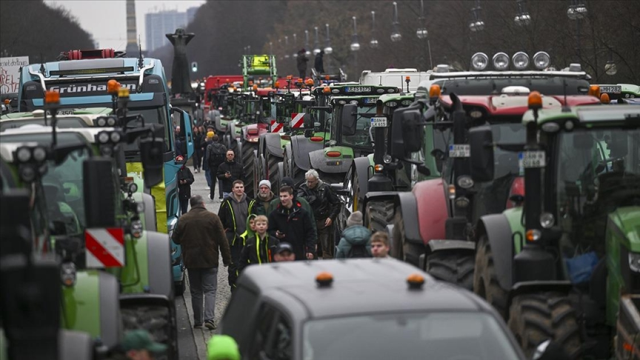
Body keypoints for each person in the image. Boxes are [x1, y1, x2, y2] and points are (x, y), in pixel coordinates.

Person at [172, 195, 231, 330]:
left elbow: (175, 239)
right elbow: (223, 240)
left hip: (191, 261)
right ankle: (209, 319)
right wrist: (227, 259)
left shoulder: (183, 219)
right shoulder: (212, 218)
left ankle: (198, 321)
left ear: (191, 205)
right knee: (210, 290)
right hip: (210, 259)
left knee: (196, 291)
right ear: (203, 204)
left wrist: (186, 241)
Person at [218, 180, 257, 290]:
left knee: (248, 263)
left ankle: (247, 286)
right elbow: (220, 219)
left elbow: (255, 218)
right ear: (233, 189)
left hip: (248, 239)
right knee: (234, 263)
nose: (239, 189)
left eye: (241, 187)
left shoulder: (250, 202)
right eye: (237, 187)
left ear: (244, 188)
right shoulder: (226, 203)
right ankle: (234, 286)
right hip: (233, 239)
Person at [297, 169, 341, 259]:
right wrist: (311, 198)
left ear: (316, 180)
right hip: (309, 222)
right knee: (311, 251)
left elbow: (337, 204)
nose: (309, 184)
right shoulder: (303, 188)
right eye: (308, 181)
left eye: (311, 182)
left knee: (327, 251)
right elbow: (298, 200)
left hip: (323, 221)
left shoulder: (325, 188)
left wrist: (331, 217)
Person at [268, 186, 316, 261]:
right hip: (281, 254)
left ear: (291, 196)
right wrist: (276, 234)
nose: (282, 199)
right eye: (280, 196)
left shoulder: (302, 214)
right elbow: (269, 231)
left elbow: (310, 232)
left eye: (285, 196)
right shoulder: (274, 215)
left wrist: (310, 249)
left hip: (299, 252)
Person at [206, 135, 227, 201]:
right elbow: (225, 156)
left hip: (213, 166)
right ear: (218, 139)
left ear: (212, 139)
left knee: (213, 181)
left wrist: (208, 165)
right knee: (221, 180)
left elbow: (207, 157)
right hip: (221, 165)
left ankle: (212, 195)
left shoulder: (209, 147)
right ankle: (221, 195)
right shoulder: (222, 146)